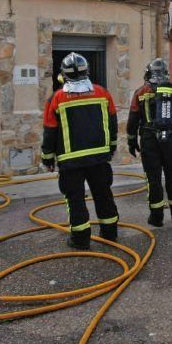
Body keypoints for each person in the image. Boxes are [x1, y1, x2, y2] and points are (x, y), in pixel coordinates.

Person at [41, 52, 119, 249]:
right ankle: (110, 233)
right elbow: (112, 123)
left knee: (75, 199)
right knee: (103, 194)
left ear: (63, 74)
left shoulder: (57, 98)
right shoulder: (102, 92)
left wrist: (47, 158)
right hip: (99, 158)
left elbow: (50, 131)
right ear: (87, 71)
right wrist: (111, 147)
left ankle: (81, 239)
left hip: (70, 161)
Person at [127, 58, 172, 227]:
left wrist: (132, 142)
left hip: (149, 140)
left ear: (149, 73)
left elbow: (133, 120)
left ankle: (156, 218)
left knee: (153, 179)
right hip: (170, 140)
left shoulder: (141, 92)